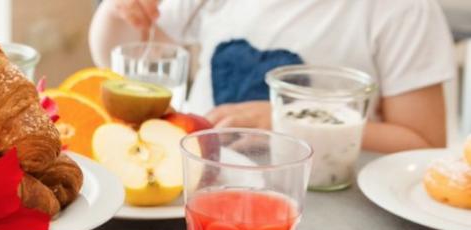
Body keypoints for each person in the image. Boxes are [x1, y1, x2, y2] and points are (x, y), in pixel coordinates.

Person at [89, 0, 456, 153]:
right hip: (199, 184)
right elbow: (125, 57)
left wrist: (289, 122)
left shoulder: (402, 10)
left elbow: (423, 143)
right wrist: (120, 10)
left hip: (325, 204)